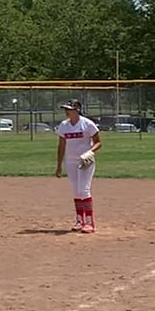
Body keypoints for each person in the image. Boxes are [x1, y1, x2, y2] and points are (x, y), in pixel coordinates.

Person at [52, 100, 102, 233]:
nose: (66, 111)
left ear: (77, 110)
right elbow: (61, 146)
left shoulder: (87, 124)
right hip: (71, 162)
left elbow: (98, 143)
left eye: (69, 109)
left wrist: (90, 152)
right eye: (66, 109)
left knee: (83, 190)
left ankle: (90, 223)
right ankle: (80, 220)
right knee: (76, 191)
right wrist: (59, 165)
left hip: (85, 161)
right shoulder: (64, 125)